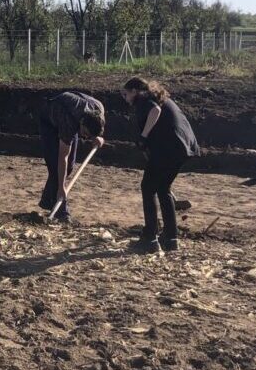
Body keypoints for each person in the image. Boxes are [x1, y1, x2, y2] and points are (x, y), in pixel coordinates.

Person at [121, 77, 199, 253]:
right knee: (163, 189)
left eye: (125, 94)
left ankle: (150, 238)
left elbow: (155, 111)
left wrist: (143, 137)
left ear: (134, 91)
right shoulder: (158, 97)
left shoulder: (144, 99)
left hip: (168, 148)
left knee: (148, 187)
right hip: (183, 147)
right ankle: (171, 238)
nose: (125, 99)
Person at [38, 91, 105, 222]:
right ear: (82, 123)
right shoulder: (67, 122)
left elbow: (97, 129)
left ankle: (47, 200)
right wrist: (62, 187)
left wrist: (97, 138)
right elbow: (63, 157)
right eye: (85, 133)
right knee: (55, 166)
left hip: (73, 116)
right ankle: (61, 211)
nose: (85, 137)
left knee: (69, 167)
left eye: (88, 136)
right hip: (49, 121)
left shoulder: (99, 109)